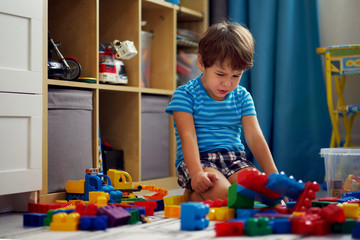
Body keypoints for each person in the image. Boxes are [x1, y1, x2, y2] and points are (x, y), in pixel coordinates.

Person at [165, 21, 279, 201]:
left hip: (234, 160)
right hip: (198, 161)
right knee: (224, 196)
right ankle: (194, 193)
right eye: (220, 74)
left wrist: (274, 176)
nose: (228, 83)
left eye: (236, 76)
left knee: (262, 193)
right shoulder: (185, 95)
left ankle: (200, 194)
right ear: (202, 63)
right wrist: (196, 175)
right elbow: (188, 137)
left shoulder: (242, 97)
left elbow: (255, 137)